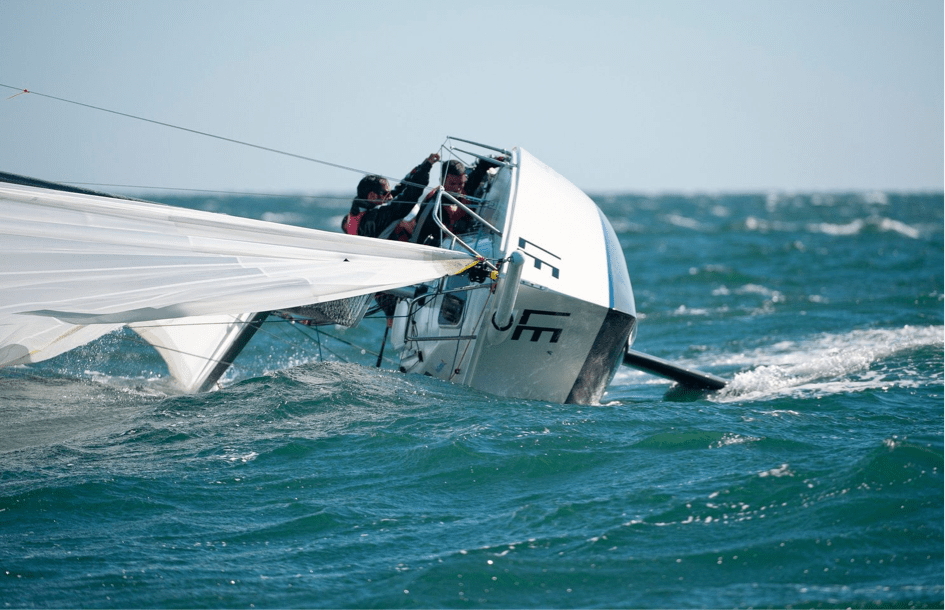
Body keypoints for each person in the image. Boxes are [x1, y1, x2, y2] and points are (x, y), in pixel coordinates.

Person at [394, 156, 502, 246]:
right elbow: (417, 239)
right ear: (442, 181)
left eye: (460, 183)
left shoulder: (466, 188)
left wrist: (497, 161)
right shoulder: (432, 207)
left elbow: (480, 169)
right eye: (452, 184)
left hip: (469, 240)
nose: (457, 188)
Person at [341, 153, 440, 238]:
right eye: (385, 194)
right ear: (372, 196)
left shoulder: (359, 210)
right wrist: (426, 169)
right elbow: (409, 196)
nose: (391, 197)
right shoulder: (375, 217)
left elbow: (397, 190)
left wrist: (420, 168)